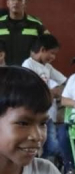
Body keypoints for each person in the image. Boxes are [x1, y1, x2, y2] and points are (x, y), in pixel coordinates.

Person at [21, 35, 66, 164]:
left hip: (48, 114)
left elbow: (64, 80)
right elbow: (29, 90)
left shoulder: (47, 67)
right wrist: (51, 92)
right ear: (42, 49)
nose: (53, 58)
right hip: (35, 114)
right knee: (47, 145)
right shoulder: (28, 64)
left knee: (52, 145)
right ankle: (43, 165)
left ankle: (47, 165)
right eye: (52, 53)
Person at [0, 0, 47, 66]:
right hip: (4, 72)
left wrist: (40, 56)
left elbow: (50, 44)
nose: (16, 2)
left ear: (25, 4)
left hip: (27, 72)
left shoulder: (36, 24)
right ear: (7, 3)